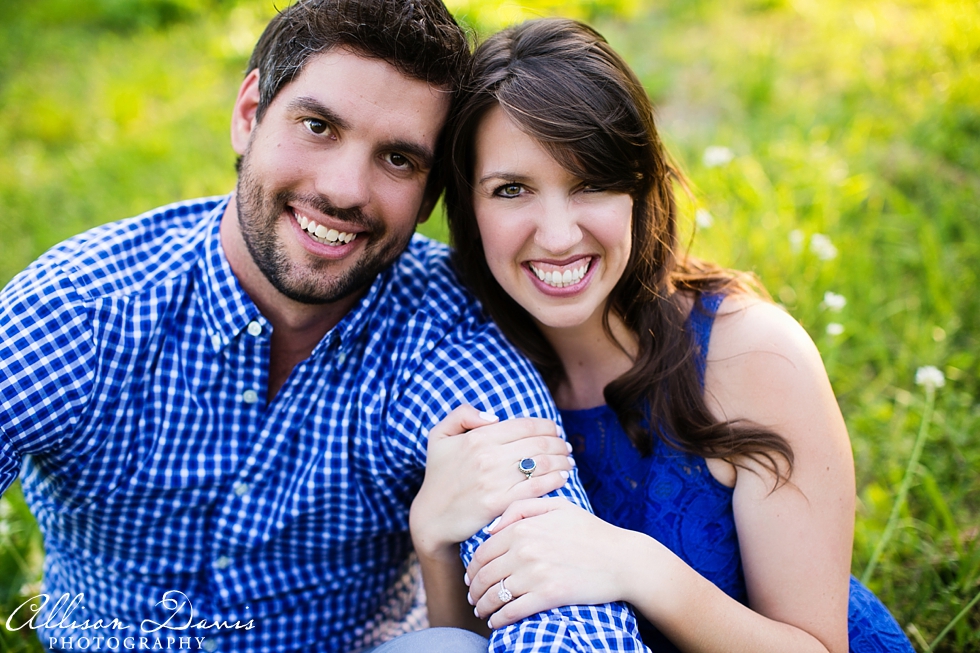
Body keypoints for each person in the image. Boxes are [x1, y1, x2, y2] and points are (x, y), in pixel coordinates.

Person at [0, 3, 649, 652]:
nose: (344, 190)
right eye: (317, 126)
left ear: (428, 196)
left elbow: (560, 594)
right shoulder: (84, 310)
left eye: (398, 158)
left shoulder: (445, 331)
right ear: (249, 114)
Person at [410, 17, 915, 653]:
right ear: (468, 208)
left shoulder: (752, 356)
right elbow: (480, 640)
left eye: (589, 183)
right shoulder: (482, 372)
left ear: (638, 187)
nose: (559, 234)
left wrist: (636, 567)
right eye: (512, 190)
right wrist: (432, 537)